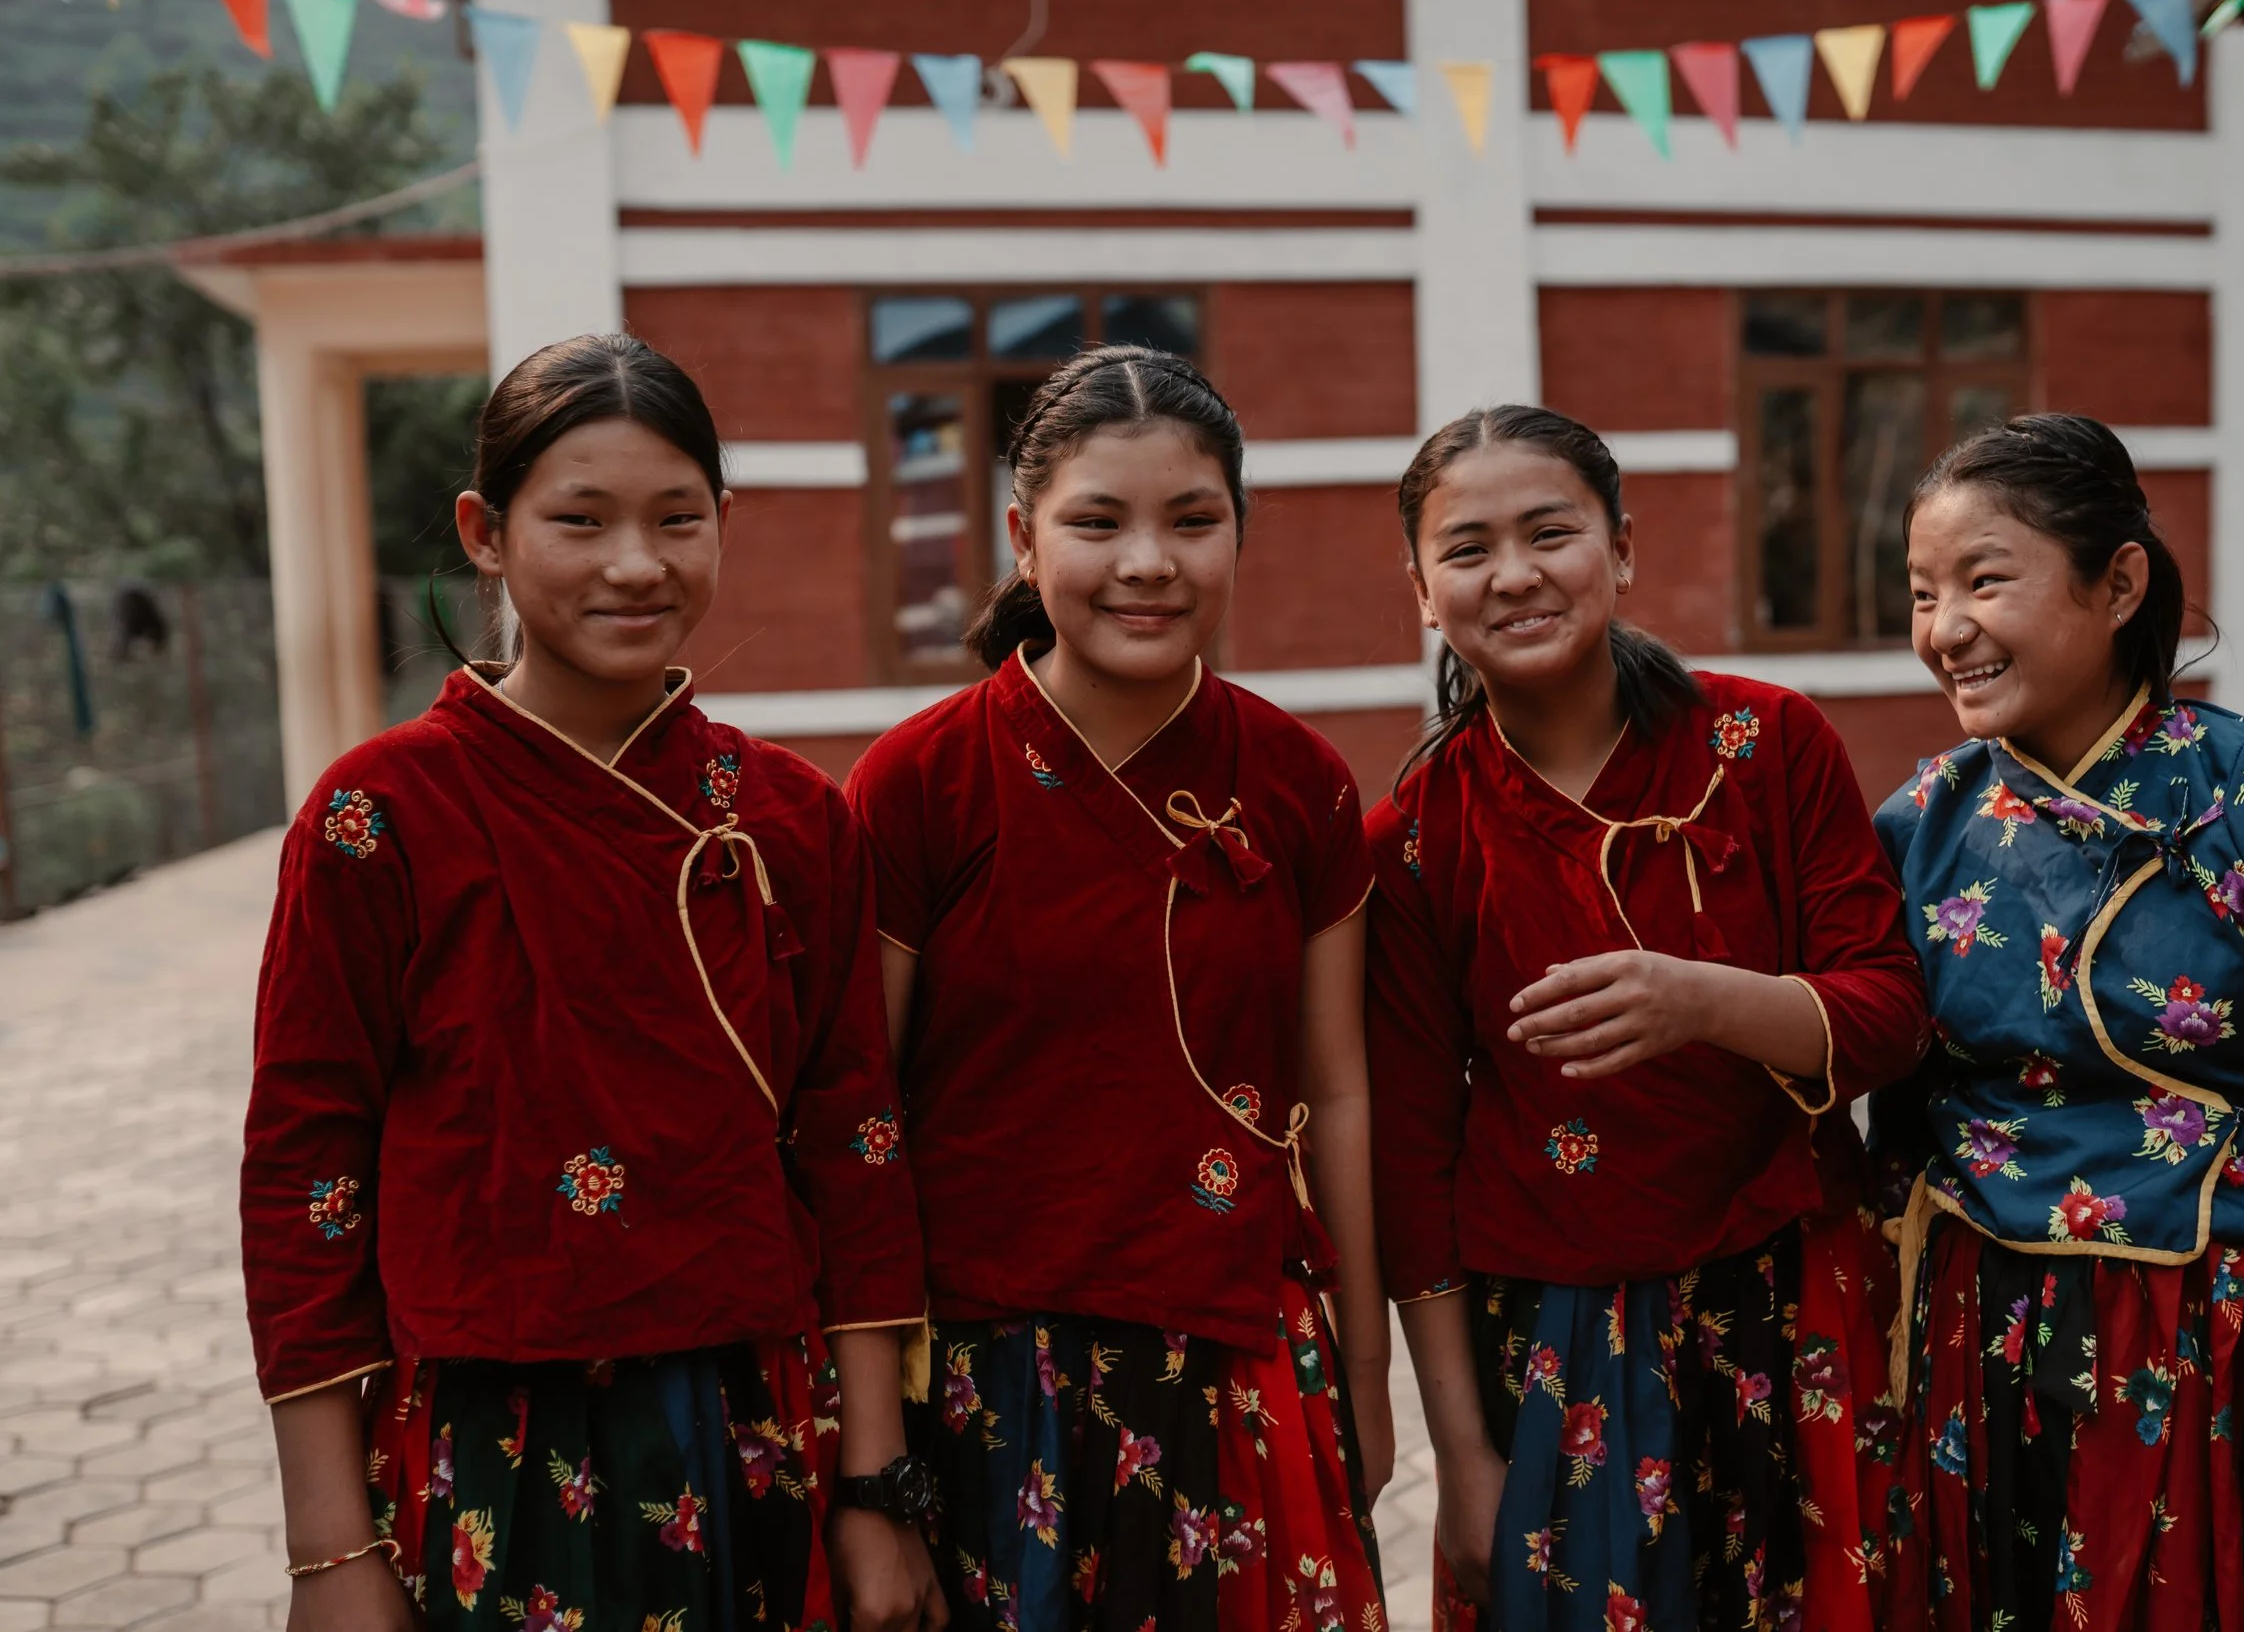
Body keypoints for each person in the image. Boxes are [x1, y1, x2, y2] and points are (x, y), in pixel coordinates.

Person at [242, 334, 944, 1632]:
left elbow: (857, 1143)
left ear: (723, 525)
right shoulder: (378, 816)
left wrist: (877, 1486)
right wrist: (330, 1550)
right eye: (580, 518)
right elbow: (306, 1176)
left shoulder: (793, 819)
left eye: (678, 518)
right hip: (491, 1439)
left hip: (756, 1424)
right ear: (487, 531)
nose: (636, 562)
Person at [1872, 412, 2244, 1632]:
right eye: (1922, 592)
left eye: (1984, 580)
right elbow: (1898, 1126)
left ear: (2119, 581)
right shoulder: (1919, 824)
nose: (1944, 630)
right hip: (1984, 1361)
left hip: (2231, 1357)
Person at [844, 346, 1393, 1632]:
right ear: (1025, 538)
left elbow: (1341, 1092)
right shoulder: (918, 783)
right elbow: (856, 1122)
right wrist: (869, 1458)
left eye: (1192, 521)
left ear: (1239, 535)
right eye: (1099, 521)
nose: (1149, 561)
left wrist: (1365, 1381)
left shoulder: (1300, 780)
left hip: (1244, 1355)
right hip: (991, 1379)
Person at [1365, 405, 1931, 1632]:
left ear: (1621, 548)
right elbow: (1409, 1157)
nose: (1512, 574)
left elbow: (1888, 1012)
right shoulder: (1413, 834)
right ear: (1420, 589)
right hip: (1551, 1331)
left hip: (1790, 1294)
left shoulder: (1766, 743)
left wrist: (1706, 1000)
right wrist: (1461, 1457)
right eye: (1466, 549)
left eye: (1549, 532)